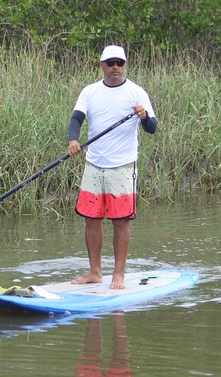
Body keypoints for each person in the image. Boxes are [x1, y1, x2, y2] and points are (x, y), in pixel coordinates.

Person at [67, 45, 158, 289]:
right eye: (110, 63)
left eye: (120, 63)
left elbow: (152, 128)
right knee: (91, 219)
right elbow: (76, 118)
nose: (115, 67)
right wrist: (73, 140)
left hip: (123, 166)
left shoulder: (136, 92)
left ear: (125, 65)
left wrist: (144, 117)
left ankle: (118, 274)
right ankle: (95, 272)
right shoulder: (90, 91)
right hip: (94, 164)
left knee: (120, 221)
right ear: (102, 66)